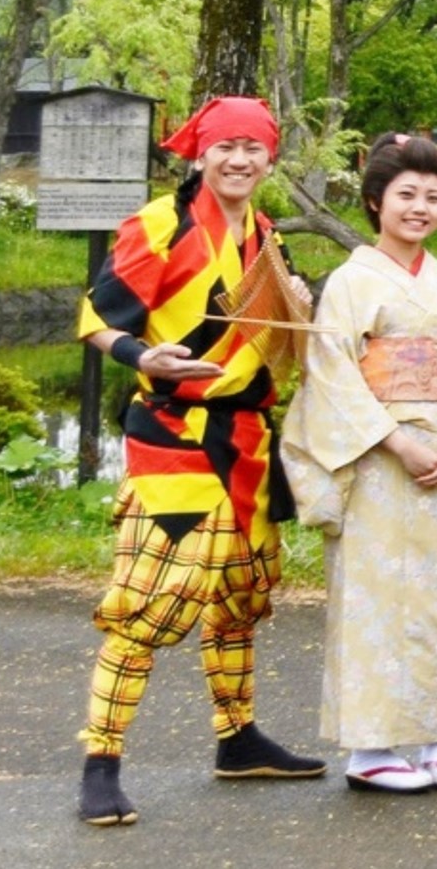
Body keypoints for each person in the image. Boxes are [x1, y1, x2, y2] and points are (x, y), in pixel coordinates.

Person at [73, 96, 326, 826]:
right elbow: (98, 310)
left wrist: (300, 310)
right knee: (152, 598)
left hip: (248, 435)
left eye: (254, 147)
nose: (240, 159)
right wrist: (135, 350)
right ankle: (102, 757)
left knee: (240, 596)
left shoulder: (267, 232)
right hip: (173, 432)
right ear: (201, 153)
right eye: (226, 146)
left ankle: (238, 736)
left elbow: (284, 337)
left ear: (270, 158)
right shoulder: (160, 222)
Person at [281, 134, 437, 794]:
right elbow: (333, 373)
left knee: (435, 603)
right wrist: (395, 440)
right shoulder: (350, 281)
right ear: (376, 200)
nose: (420, 206)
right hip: (377, 461)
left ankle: (433, 736)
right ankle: (370, 746)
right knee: (372, 599)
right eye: (406, 193)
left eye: (433, 196)